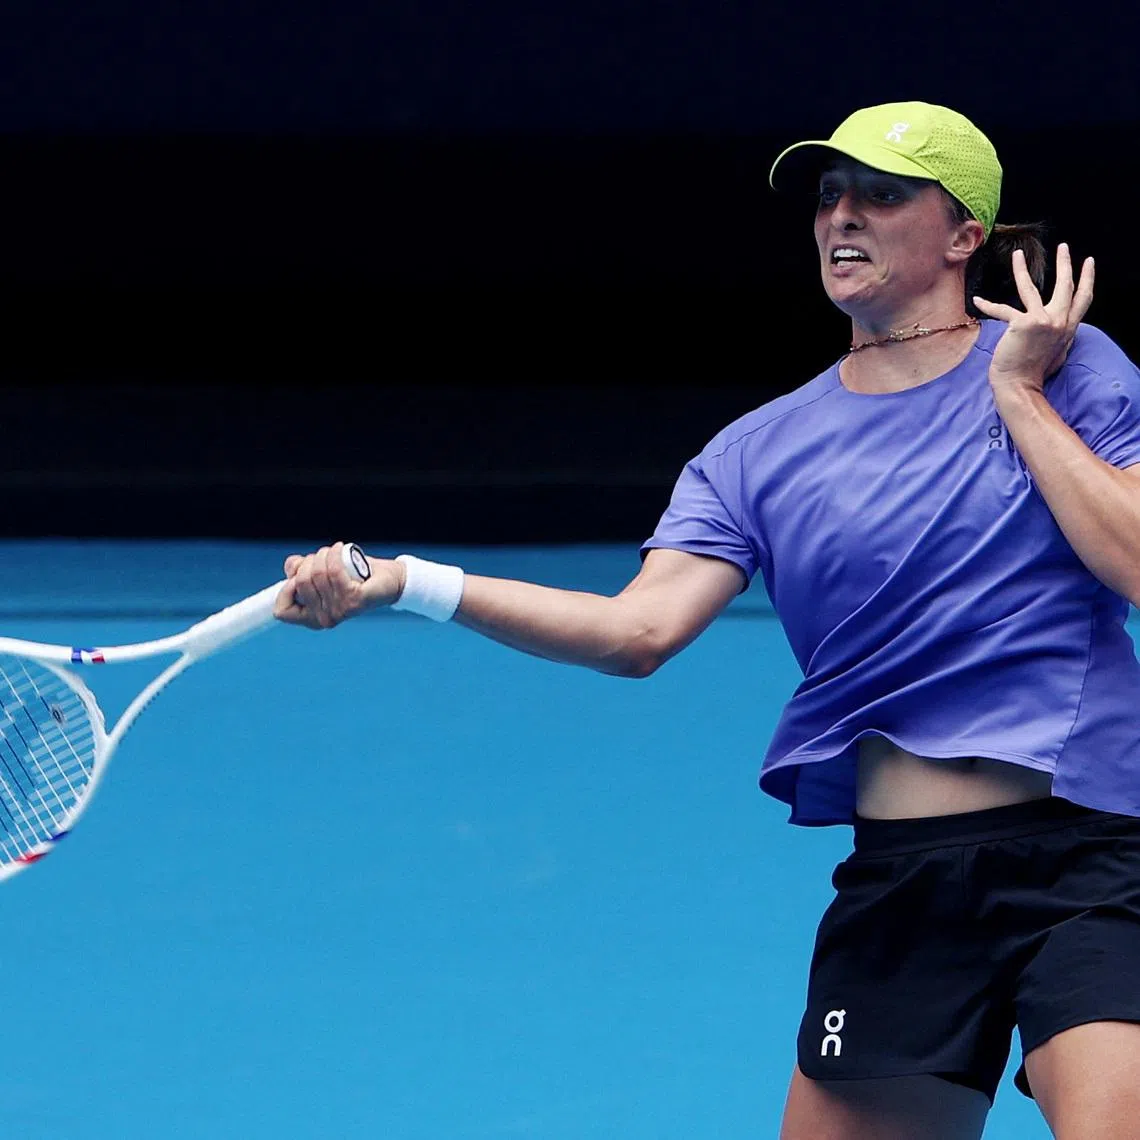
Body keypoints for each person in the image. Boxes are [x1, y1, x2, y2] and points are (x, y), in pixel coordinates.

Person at [275, 102, 1140, 1139]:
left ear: (965, 236)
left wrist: (1020, 396)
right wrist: (407, 581)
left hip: (1091, 854)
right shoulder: (754, 452)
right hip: (901, 883)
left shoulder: (1071, 367)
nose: (842, 217)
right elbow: (636, 633)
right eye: (829, 197)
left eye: (881, 193)